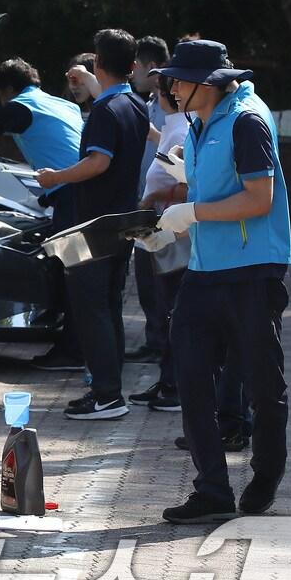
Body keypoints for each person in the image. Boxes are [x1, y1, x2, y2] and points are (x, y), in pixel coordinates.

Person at [144, 40, 291, 524]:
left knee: (262, 385)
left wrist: (192, 212)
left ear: (207, 83)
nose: (171, 87)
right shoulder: (203, 118)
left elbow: (259, 199)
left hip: (252, 271)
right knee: (190, 376)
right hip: (205, 272)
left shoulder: (247, 120)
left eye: (179, 80)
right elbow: (216, 183)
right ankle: (211, 489)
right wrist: (179, 191)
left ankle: (266, 473)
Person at [36, 30, 149, 419]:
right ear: (133, 67)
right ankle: (111, 390)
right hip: (122, 221)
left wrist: (56, 178)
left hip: (95, 224)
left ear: (99, 64)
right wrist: (89, 81)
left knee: (91, 307)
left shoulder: (104, 111)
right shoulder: (135, 104)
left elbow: (98, 163)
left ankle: (105, 395)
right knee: (110, 305)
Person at [128, 72, 189, 411]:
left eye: (156, 91)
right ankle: (168, 380)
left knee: (170, 311)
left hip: (171, 238)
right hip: (159, 237)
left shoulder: (181, 130)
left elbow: (189, 184)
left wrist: (154, 197)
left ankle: (175, 385)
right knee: (162, 311)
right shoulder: (173, 127)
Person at [0, 56, 84, 232]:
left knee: (72, 256)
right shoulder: (65, 105)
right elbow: (66, 153)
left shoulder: (18, 106)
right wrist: (41, 202)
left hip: (72, 193)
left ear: (8, 89)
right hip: (92, 182)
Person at [124, 36, 172, 365]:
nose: (132, 74)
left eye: (136, 67)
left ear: (150, 67)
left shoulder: (173, 108)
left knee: (160, 281)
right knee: (145, 278)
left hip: (164, 209)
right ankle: (156, 340)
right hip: (146, 204)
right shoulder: (152, 102)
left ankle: (164, 346)